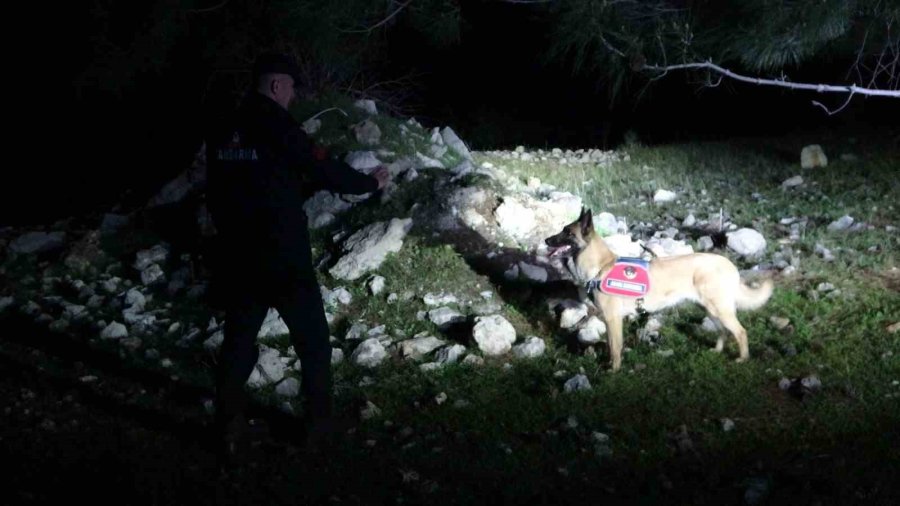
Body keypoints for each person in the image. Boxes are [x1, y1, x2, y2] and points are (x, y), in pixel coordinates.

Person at [204, 52, 390, 458]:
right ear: (276, 86)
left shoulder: (223, 127)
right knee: (312, 340)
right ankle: (317, 428)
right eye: (289, 88)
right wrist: (368, 183)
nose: (292, 96)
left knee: (238, 338)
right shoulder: (278, 124)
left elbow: (216, 188)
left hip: (237, 250)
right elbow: (319, 166)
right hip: (282, 252)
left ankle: (227, 426)